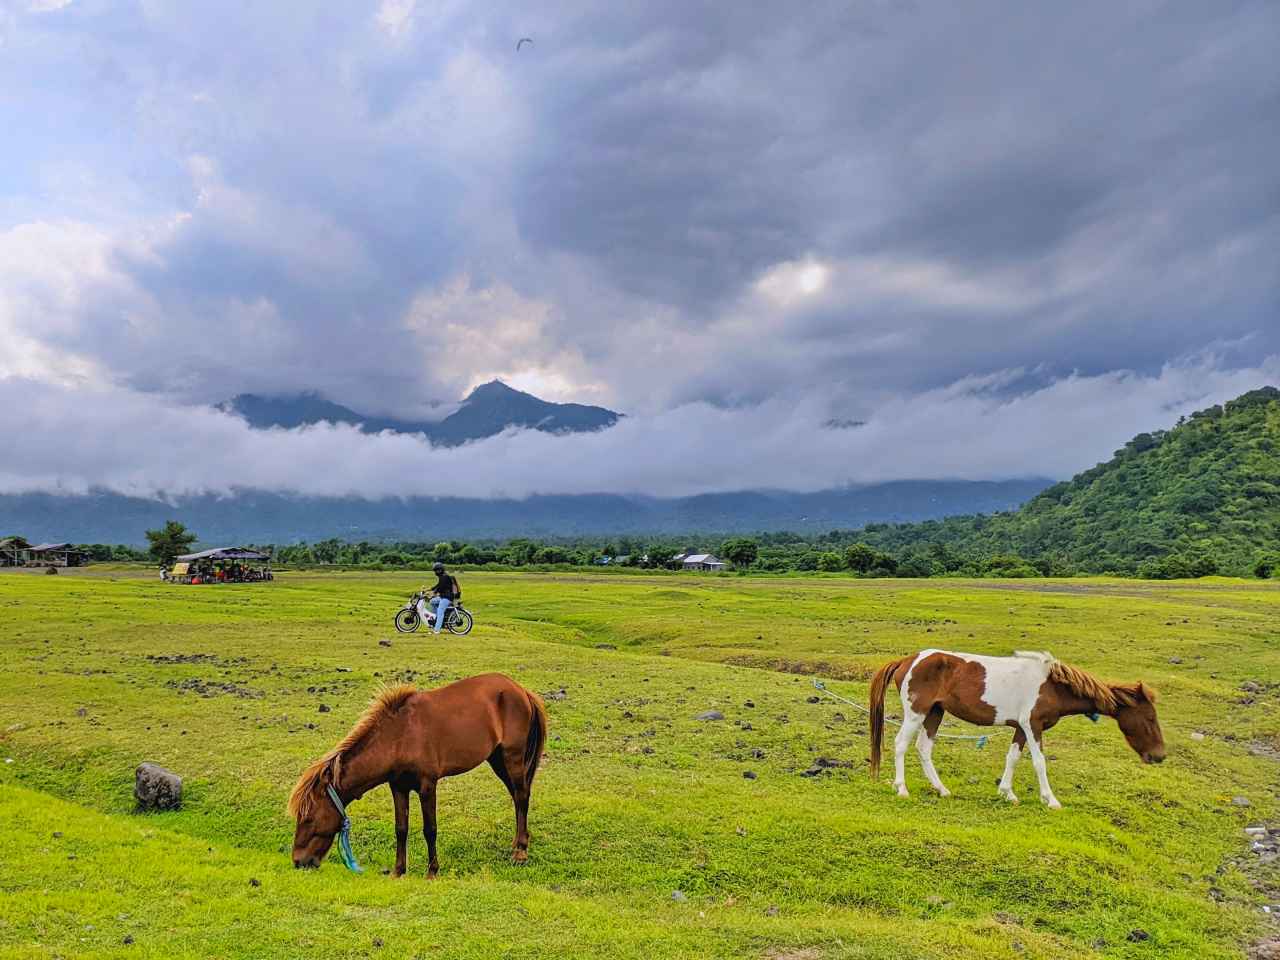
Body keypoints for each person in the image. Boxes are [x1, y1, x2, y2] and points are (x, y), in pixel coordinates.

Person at [416, 562, 460, 634]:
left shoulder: (444, 577)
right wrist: (428, 589)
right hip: (444, 596)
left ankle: (437, 630)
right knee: (432, 602)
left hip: (447, 598)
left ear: (441, 570)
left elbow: (440, 588)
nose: (436, 572)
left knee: (440, 611)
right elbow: (438, 586)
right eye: (435, 570)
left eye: (437, 570)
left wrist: (432, 594)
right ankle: (437, 619)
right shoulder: (442, 576)